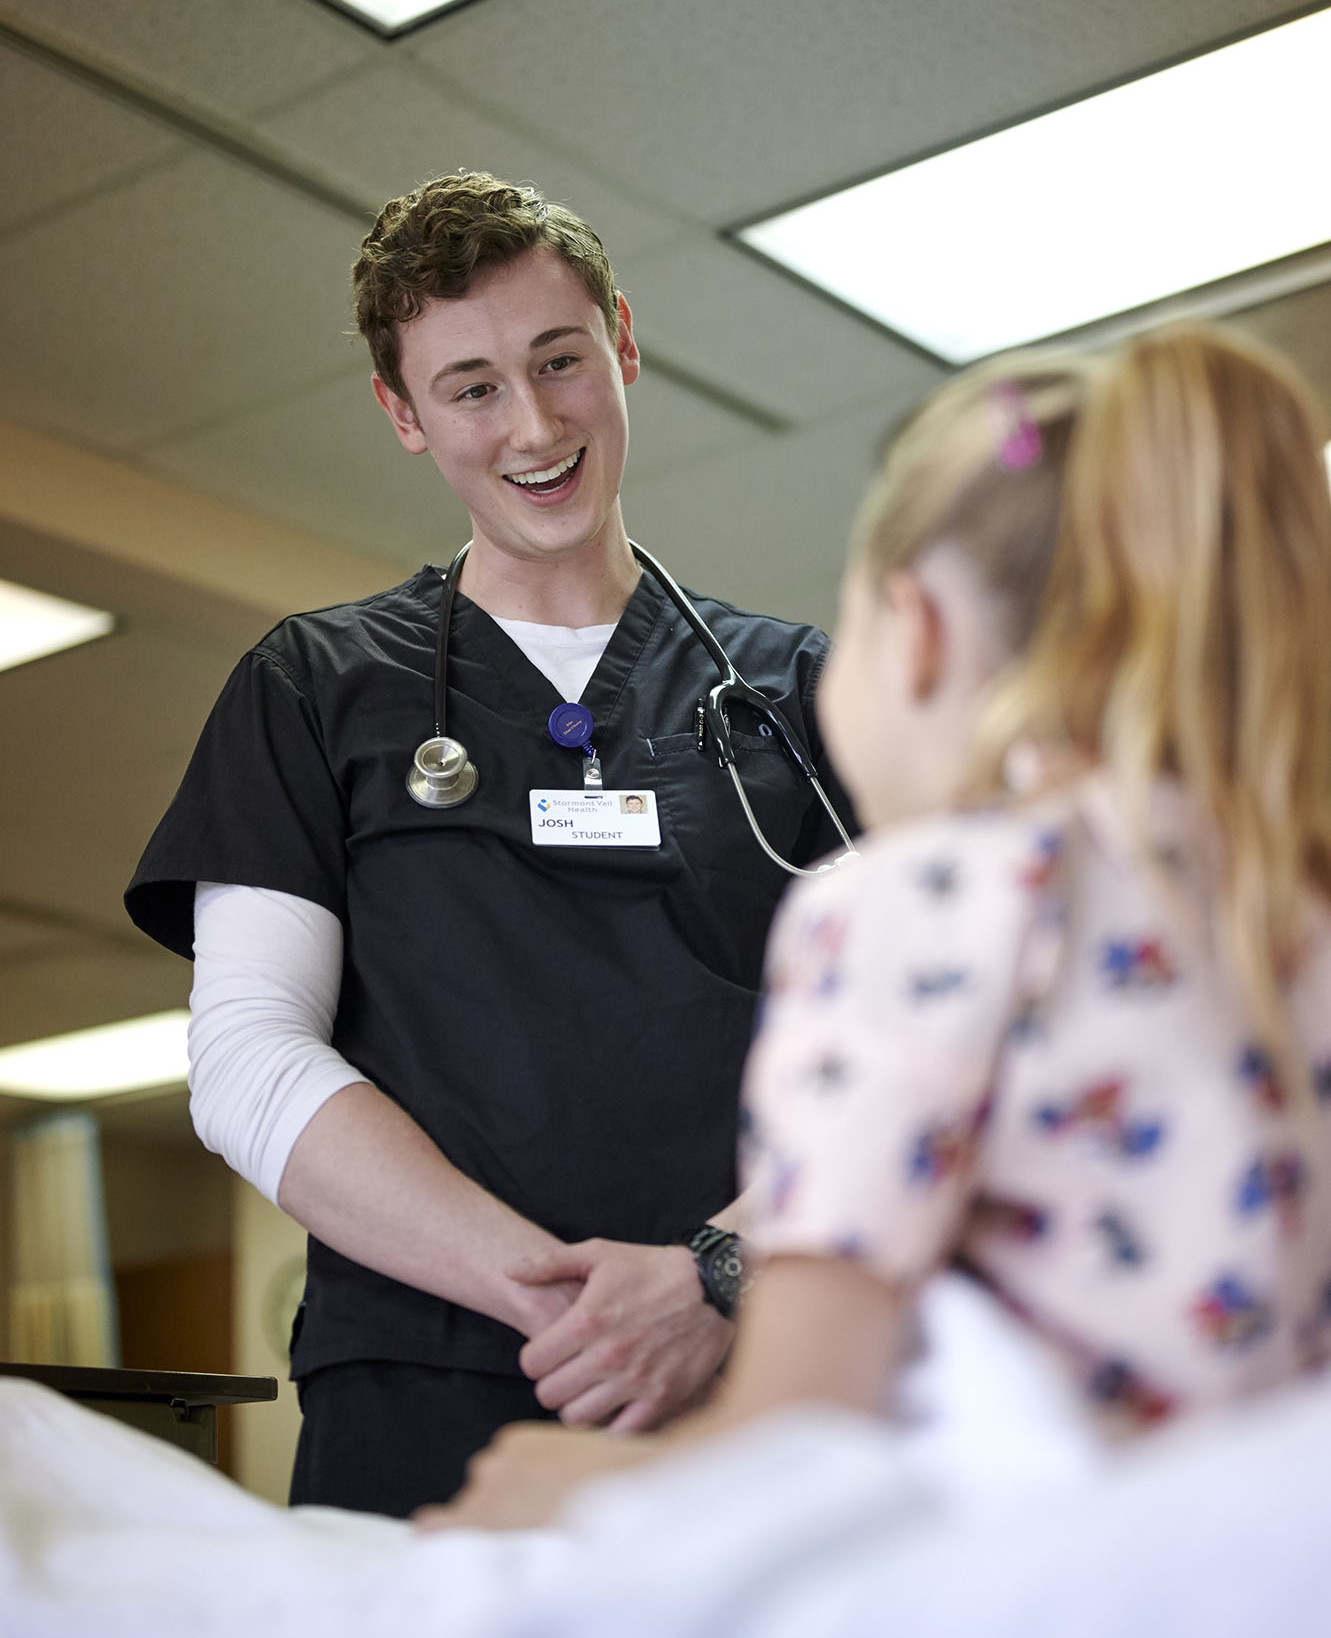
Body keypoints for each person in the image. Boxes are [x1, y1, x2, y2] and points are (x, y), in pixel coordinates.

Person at [435, 322, 1331, 1529]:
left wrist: (563, 1487)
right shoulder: (1292, 893)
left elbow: (796, 1440)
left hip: (1067, 1595)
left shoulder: (930, 902)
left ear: (912, 630)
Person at [124, 172, 853, 1517]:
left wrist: (712, 1278)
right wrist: (574, 1302)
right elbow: (244, 1060)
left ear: (621, 344)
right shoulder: (315, 689)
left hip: (756, 1393)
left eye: (558, 361)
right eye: (469, 387)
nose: (532, 424)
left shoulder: (809, 696)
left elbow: (920, 1047)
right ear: (403, 414)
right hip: (426, 1386)